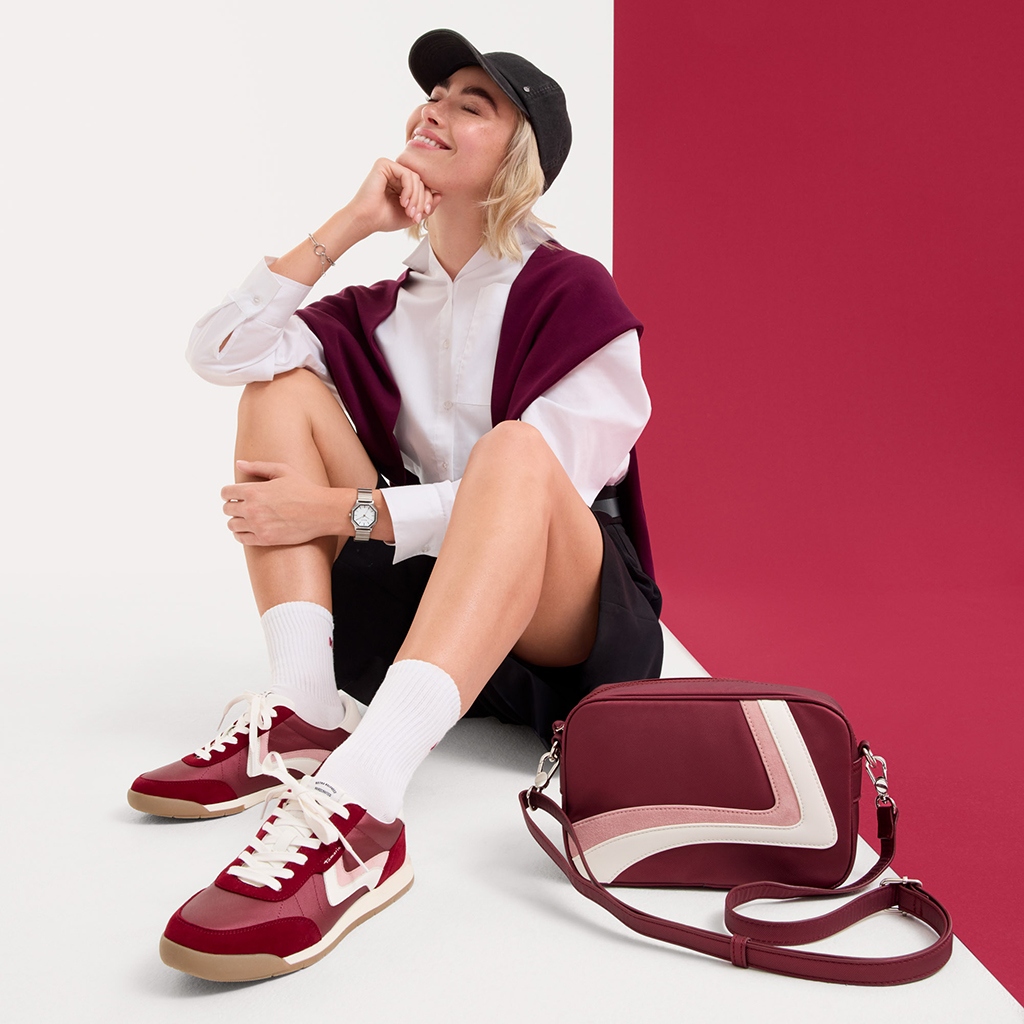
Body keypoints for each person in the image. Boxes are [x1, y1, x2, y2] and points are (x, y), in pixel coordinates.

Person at [128, 29, 663, 982]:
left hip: (565, 629)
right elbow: (221, 351)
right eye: (432, 97)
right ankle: (302, 713)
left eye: (472, 104)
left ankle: (364, 804)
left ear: (521, 154)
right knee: (277, 386)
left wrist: (345, 515)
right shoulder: (383, 302)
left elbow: (544, 495)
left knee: (513, 450)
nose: (435, 112)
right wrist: (348, 223)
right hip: (427, 615)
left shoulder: (575, 292)